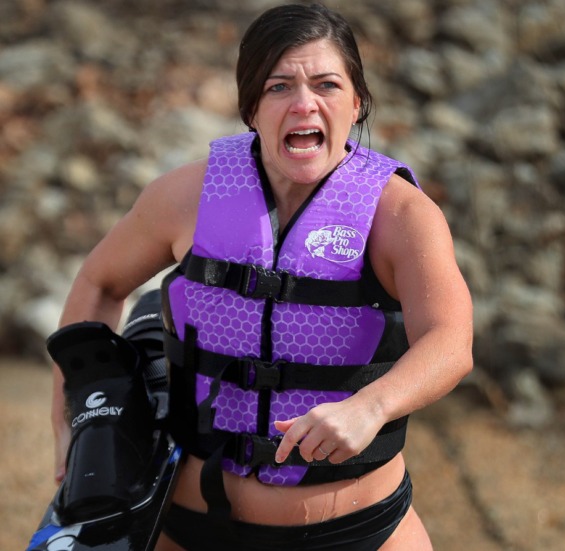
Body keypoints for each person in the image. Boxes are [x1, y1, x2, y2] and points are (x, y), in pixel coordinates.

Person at [50, 3, 473, 550]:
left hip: (355, 533)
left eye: (326, 84)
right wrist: (75, 419)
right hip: (190, 529)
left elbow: (451, 341)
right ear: (251, 107)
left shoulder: (401, 216)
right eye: (279, 87)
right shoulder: (184, 197)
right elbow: (99, 284)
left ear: (357, 102)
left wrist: (372, 405)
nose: (304, 104)